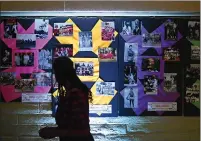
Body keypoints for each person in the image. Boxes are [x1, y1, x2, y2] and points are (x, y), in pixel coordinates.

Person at [39, 56, 94, 141]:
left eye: (56, 72)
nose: (55, 76)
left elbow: (82, 130)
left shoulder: (76, 94)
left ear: (61, 74)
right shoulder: (71, 92)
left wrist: (54, 132)